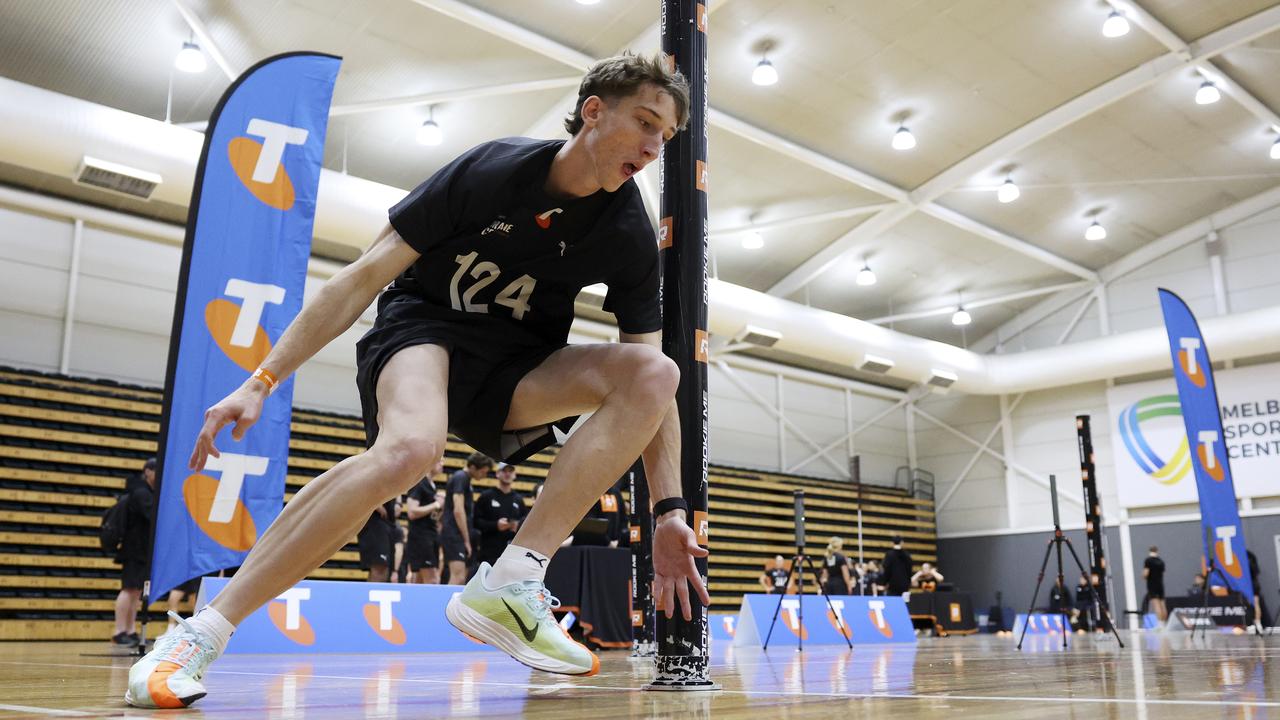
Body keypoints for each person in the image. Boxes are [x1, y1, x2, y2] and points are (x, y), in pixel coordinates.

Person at [127, 53, 703, 708]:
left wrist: (669, 512)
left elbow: (654, 395)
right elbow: (362, 276)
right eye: (646, 122)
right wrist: (262, 377)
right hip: (420, 334)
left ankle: (514, 579)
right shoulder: (492, 172)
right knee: (409, 451)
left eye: (667, 137)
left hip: (514, 370)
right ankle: (201, 632)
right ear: (594, 112)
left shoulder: (627, 230)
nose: (655, 147)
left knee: (655, 371)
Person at [113, 457, 156, 646]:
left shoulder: (149, 492)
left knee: (136, 592)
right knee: (128, 589)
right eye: (155, 470)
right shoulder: (141, 493)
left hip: (143, 550)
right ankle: (119, 630)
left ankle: (130, 630)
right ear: (147, 471)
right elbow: (151, 516)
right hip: (133, 549)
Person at [441, 452, 492, 584]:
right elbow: (458, 510)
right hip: (454, 532)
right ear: (473, 467)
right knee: (457, 576)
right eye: (483, 472)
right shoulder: (461, 477)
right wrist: (466, 539)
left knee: (462, 577)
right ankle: (447, 605)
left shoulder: (466, 480)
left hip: (457, 533)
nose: (484, 475)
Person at [472, 462, 528, 567]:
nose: (507, 474)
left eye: (510, 471)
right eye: (504, 471)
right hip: (489, 552)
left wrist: (517, 526)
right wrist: (495, 525)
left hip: (511, 554)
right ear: (497, 474)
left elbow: (524, 522)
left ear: (514, 475)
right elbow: (476, 522)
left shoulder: (519, 500)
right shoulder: (486, 496)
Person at [404, 462, 446, 584]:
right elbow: (412, 512)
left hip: (431, 535)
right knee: (432, 579)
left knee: (419, 580)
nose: (442, 464)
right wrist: (436, 504)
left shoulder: (432, 486)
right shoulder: (419, 482)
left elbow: (432, 515)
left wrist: (440, 507)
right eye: (439, 460)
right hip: (421, 537)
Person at [357, 495, 399, 583]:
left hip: (388, 522)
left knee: (384, 570)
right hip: (375, 522)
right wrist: (375, 503)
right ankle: (370, 597)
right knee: (380, 569)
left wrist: (398, 503)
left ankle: (368, 596)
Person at [1142, 546, 1167, 622]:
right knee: (1162, 604)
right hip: (1160, 585)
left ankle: (1160, 623)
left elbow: (1146, 573)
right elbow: (1162, 573)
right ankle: (1164, 622)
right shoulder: (1161, 561)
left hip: (1152, 585)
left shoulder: (1148, 560)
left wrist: (1143, 576)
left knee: (1156, 605)